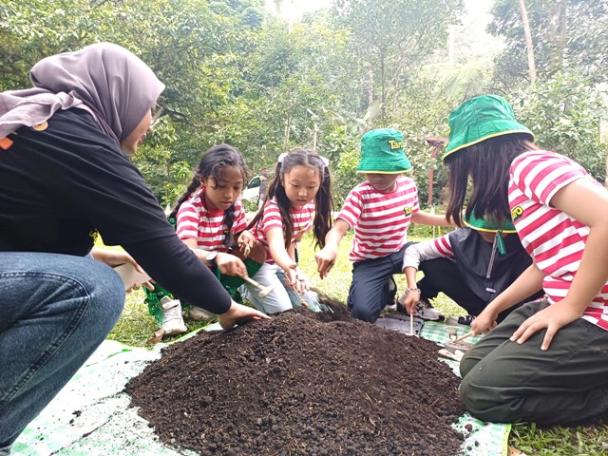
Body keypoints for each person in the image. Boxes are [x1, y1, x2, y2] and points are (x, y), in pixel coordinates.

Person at [0, 43, 267, 452]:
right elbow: (158, 242)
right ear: (119, 97)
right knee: (92, 289)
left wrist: (197, 261)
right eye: (150, 109)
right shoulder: (76, 137)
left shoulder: (42, 124)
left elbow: (31, 245)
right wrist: (226, 309)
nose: (150, 123)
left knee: (86, 273)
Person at [442, 94, 608, 425]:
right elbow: (542, 265)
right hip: (563, 301)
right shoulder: (519, 185)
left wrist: (571, 306)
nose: (471, 180)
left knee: (482, 394)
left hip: (595, 316)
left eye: (469, 170)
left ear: (478, 155)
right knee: (472, 365)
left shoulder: (531, 166)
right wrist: (493, 308)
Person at [315, 128, 452, 323]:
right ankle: (386, 289)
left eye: (384, 172)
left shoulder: (408, 187)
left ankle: (420, 297)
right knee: (362, 314)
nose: (377, 178)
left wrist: (452, 220)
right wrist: (330, 247)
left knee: (443, 257)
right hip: (370, 261)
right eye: (372, 172)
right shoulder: (360, 194)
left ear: (398, 170)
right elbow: (339, 228)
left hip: (401, 252)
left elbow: (414, 215)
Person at [145, 144, 266, 334]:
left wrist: (245, 236)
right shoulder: (191, 208)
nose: (229, 194)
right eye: (220, 186)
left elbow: (241, 230)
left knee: (259, 250)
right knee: (156, 256)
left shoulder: (234, 206)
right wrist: (216, 256)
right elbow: (186, 252)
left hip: (211, 273)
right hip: (182, 273)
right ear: (203, 180)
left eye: (236, 187)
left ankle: (213, 299)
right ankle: (170, 307)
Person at [400, 210, 540, 325]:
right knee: (435, 262)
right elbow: (414, 251)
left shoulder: (530, 243)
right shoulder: (462, 238)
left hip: (512, 304)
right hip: (477, 295)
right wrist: (412, 288)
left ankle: (504, 321)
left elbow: (547, 277)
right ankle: (476, 314)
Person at [247, 149, 332, 314]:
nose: (302, 193)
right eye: (295, 185)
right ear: (282, 179)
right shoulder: (273, 209)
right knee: (283, 311)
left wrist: (295, 270)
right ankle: (246, 288)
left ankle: (277, 284)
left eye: (311, 187)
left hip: (282, 265)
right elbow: (276, 245)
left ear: (320, 182)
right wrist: (289, 268)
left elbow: (291, 242)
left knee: (311, 307)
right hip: (258, 264)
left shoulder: (307, 208)